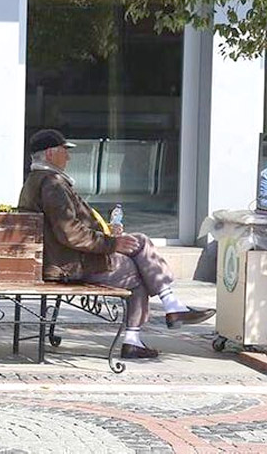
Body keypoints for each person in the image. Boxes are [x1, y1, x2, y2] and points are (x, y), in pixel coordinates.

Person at [18, 129, 215, 359]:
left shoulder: (41, 180)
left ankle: (167, 308)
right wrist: (112, 244)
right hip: (68, 265)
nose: (68, 157)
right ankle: (153, 321)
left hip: (64, 260)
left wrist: (109, 234)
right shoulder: (52, 184)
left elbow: (67, 230)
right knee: (139, 270)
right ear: (51, 154)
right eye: (64, 151)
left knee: (140, 243)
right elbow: (69, 233)